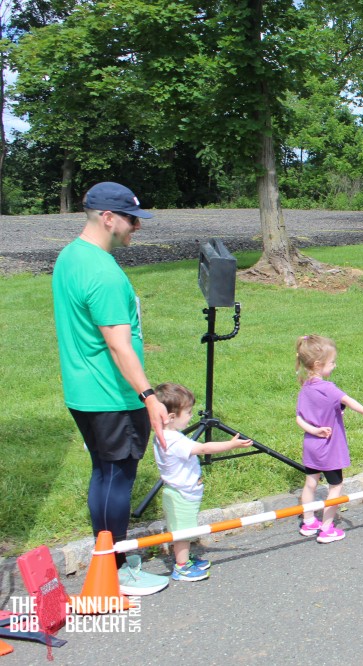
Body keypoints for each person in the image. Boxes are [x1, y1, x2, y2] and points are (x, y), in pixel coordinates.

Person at [52, 182, 171, 595]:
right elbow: (119, 345)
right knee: (117, 478)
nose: (137, 227)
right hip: (112, 395)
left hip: (84, 391)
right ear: (107, 218)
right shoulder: (103, 273)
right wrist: (148, 396)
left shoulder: (71, 256)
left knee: (104, 473)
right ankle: (114, 572)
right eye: (131, 219)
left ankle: (108, 562)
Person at [153, 382, 252, 582]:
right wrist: (231, 445)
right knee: (183, 532)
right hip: (181, 494)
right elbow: (204, 448)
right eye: (188, 412)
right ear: (171, 417)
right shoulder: (174, 441)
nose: (191, 416)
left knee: (184, 529)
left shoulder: (165, 435)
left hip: (182, 492)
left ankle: (184, 558)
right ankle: (181, 567)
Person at [295, 335, 363, 543]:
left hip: (311, 445)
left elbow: (299, 418)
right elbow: (348, 400)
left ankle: (308, 522)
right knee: (335, 486)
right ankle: (327, 528)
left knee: (310, 483)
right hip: (329, 447)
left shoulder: (305, 387)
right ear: (318, 365)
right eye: (332, 362)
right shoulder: (328, 388)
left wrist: (314, 430)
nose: (334, 365)